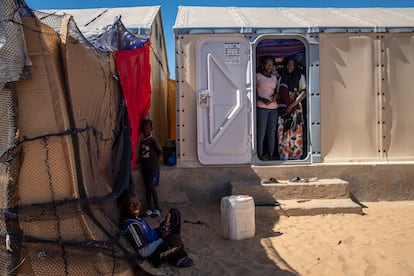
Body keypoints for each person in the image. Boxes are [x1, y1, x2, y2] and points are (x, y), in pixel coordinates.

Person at [119, 191, 194, 268]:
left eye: (138, 203)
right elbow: (143, 252)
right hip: (153, 254)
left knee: (174, 213)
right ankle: (176, 259)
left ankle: (174, 248)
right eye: (131, 205)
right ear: (122, 207)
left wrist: (159, 230)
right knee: (174, 240)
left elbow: (148, 234)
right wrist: (162, 238)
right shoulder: (131, 226)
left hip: (156, 239)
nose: (136, 207)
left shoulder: (136, 217)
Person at [277, 58, 306, 160]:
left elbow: (303, 93)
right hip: (283, 110)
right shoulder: (281, 77)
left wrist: (291, 105)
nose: (290, 66)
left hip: (295, 108)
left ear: (295, 66)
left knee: (295, 132)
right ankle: (284, 155)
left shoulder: (300, 77)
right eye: (288, 64)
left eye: (292, 64)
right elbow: (278, 93)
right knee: (283, 133)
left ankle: (295, 156)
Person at [137, 119, 162, 217]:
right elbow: (142, 155)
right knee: (147, 189)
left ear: (151, 129)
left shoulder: (152, 140)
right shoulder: (143, 142)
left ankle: (157, 208)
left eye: (147, 128)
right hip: (145, 169)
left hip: (153, 169)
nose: (145, 129)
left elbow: (159, 150)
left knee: (152, 188)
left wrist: (156, 161)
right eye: (144, 128)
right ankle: (149, 208)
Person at [256, 55, 279, 160]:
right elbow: (251, 92)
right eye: (268, 64)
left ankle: (271, 154)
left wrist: (275, 95)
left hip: (274, 108)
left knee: (272, 132)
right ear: (263, 65)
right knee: (261, 132)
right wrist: (261, 99)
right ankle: (259, 154)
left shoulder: (274, 78)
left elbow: (277, 92)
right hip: (262, 108)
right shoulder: (258, 76)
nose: (270, 66)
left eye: (272, 64)